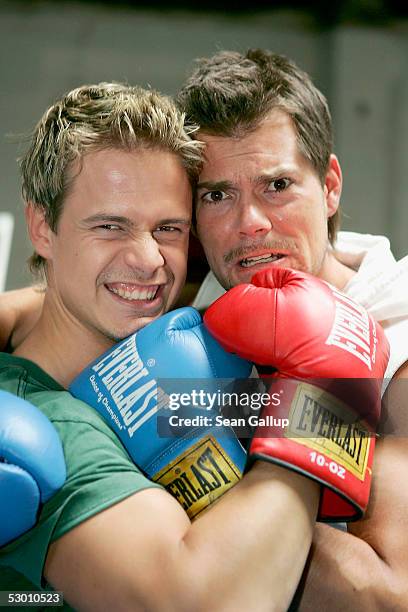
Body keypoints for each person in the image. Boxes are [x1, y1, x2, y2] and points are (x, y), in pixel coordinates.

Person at [0, 80, 326, 612]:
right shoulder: (48, 423)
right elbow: (202, 602)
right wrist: (318, 396)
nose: (150, 260)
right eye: (110, 226)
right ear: (41, 227)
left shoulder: (176, 340)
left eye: (169, 228)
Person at [175, 49, 408, 609]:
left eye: (276, 186)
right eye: (217, 194)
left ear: (329, 186)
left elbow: (387, 596)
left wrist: (184, 479)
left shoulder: (398, 343)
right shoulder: (184, 317)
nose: (250, 223)